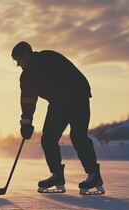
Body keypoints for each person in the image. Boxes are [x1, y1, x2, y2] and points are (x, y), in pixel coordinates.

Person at [11, 41, 105, 195]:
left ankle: (94, 175)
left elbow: (72, 75)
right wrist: (26, 122)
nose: (18, 65)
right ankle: (57, 176)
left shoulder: (48, 58)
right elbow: (28, 100)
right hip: (59, 103)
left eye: (18, 60)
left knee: (78, 137)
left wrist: (65, 98)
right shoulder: (26, 77)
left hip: (78, 97)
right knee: (48, 138)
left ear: (26, 56)